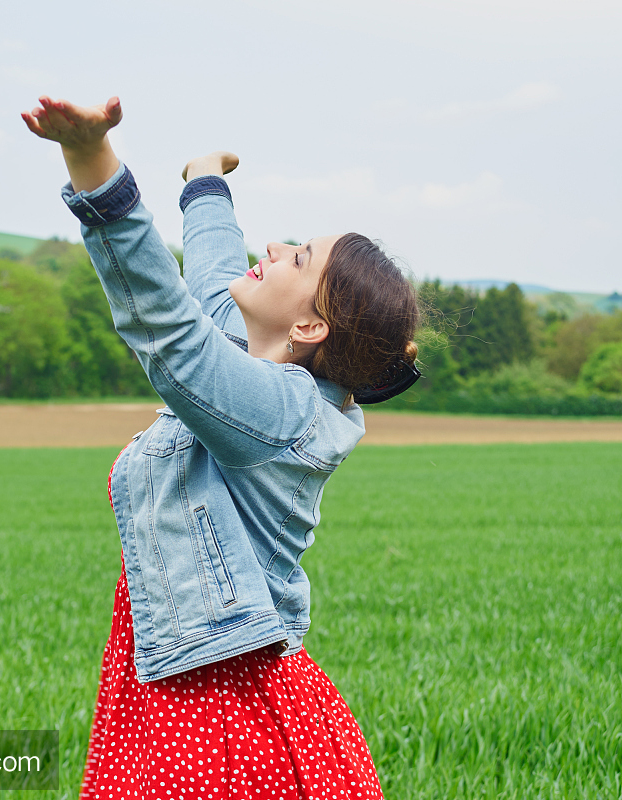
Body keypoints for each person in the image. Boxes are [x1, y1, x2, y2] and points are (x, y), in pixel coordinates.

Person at [22, 95, 421, 800]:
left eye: (296, 257)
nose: (271, 249)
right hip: (185, 670)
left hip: (217, 704)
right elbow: (212, 287)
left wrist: (92, 162)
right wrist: (205, 182)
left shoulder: (279, 412)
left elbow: (171, 333)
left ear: (309, 329)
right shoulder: (260, 368)